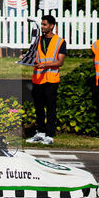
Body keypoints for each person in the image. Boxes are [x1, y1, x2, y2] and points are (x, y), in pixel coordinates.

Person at [26, 15, 66, 146]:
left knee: (50, 108)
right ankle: (41, 132)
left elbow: (60, 62)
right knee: (38, 108)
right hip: (38, 79)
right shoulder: (37, 40)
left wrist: (46, 64)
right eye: (41, 24)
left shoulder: (60, 41)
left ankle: (49, 134)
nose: (42, 27)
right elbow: (32, 55)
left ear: (52, 26)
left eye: (44, 25)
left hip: (51, 79)